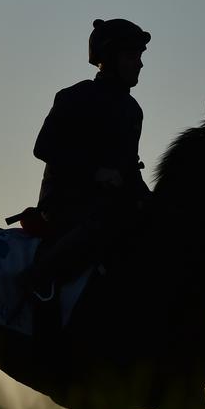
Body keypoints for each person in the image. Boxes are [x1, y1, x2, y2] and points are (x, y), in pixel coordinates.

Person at [28, 18, 152, 301]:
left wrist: (151, 201)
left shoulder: (133, 111)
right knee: (108, 221)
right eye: (132, 56)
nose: (140, 64)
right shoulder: (75, 96)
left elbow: (129, 170)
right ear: (109, 58)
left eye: (140, 57)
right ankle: (39, 277)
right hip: (64, 204)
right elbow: (43, 146)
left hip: (109, 207)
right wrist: (95, 173)